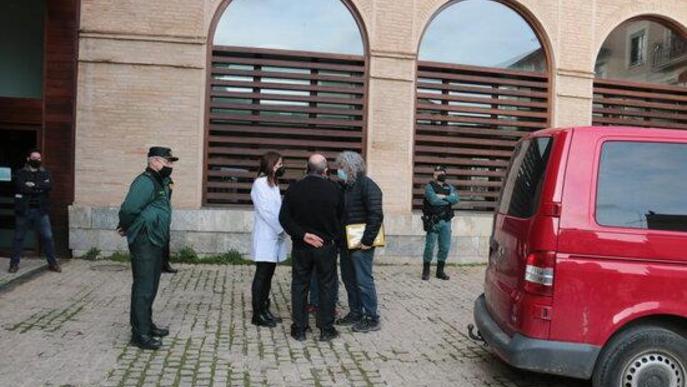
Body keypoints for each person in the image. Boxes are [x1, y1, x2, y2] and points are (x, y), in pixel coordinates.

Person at [117, 147, 177, 350]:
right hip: (144, 240)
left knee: (151, 285)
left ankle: (147, 325)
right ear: (155, 161)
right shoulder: (144, 182)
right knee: (143, 287)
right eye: (168, 162)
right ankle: (139, 334)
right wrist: (125, 226)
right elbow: (129, 209)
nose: (170, 166)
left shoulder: (161, 181)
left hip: (156, 239)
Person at [279, 154, 343, 342]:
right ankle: (326, 328)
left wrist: (303, 235)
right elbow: (342, 219)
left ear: (307, 169)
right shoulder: (335, 189)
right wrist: (332, 239)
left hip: (302, 246)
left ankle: (299, 328)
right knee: (327, 286)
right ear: (325, 170)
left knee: (300, 285)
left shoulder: (294, 188)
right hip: (326, 247)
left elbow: (284, 218)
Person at [335, 151, 383, 333]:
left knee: (363, 280)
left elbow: (376, 215)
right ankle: (355, 312)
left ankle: (371, 317)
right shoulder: (346, 187)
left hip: (362, 243)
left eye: (341, 168)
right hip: (346, 242)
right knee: (349, 279)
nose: (339, 171)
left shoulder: (368, 186)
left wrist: (367, 240)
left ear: (350, 168)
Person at [250, 151, 288, 328]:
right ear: (271, 165)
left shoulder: (274, 184)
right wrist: (282, 228)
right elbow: (266, 211)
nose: (281, 167)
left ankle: (265, 309)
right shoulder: (260, 184)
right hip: (266, 236)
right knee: (262, 275)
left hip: (275, 236)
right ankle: (258, 313)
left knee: (268, 275)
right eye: (279, 164)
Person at [8, 149, 61, 273]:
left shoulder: (45, 173)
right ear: (28, 158)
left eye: (38, 158)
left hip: (41, 211)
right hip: (24, 211)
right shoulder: (20, 173)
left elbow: (49, 186)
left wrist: (33, 185)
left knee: (48, 237)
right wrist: (39, 187)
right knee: (19, 238)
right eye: (34, 158)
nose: (37, 160)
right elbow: (20, 187)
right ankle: (13, 264)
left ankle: (52, 264)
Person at [422, 165, 459, 281]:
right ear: (434, 175)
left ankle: (440, 271)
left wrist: (443, 198)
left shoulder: (450, 187)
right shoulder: (429, 187)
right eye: (437, 172)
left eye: (441, 172)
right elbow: (433, 200)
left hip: (446, 221)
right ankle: (426, 270)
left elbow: (456, 199)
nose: (439, 174)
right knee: (430, 246)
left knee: (445, 247)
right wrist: (448, 199)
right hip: (433, 221)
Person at [161, 177, 177, 274]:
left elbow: (168, 198)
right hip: (157, 216)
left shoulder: (168, 181)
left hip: (165, 216)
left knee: (166, 240)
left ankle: (165, 265)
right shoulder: (154, 181)